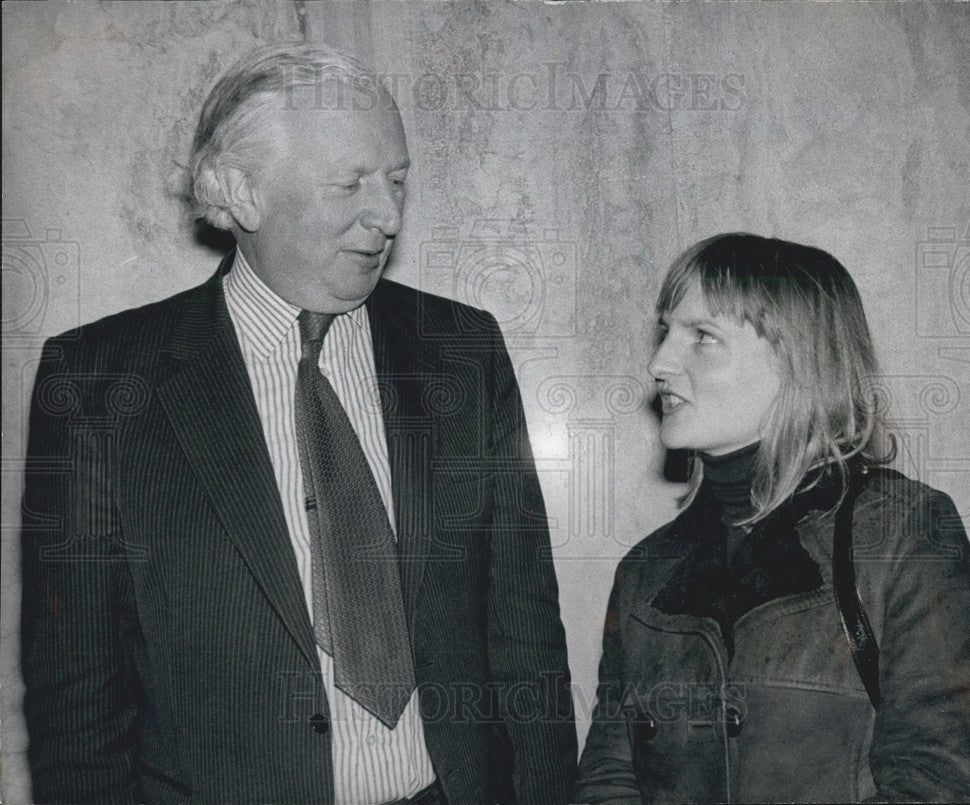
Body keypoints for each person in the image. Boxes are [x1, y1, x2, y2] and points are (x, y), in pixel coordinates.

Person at [20, 43, 576, 804]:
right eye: (351, 183)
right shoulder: (97, 385)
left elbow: (526, 636)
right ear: (242, 193)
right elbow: (76, 702)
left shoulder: (463, 351)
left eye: (397, 181)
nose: (386, 216)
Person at [575, 233, 970, 803]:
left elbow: (943, 781)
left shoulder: (905, 533)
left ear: (797, 359)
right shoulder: (644, 572)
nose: (659, 363)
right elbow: (609, 781)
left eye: (702, 336)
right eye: (665, 332)